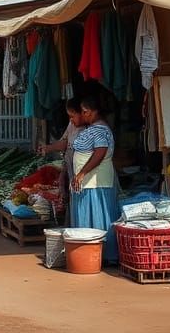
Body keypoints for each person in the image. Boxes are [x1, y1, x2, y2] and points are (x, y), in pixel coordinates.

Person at [70, 95, 120, 264]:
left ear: (91, 112)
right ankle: (87, 253)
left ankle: (103, 255)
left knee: (97, 216)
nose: (83, 115)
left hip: (96, 182)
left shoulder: (100, 129)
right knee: (88, 217)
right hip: (88, 183)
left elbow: (100, 152)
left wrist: (82, 173)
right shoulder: (93, 128)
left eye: (85, 112)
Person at [39, 98, 85, 214]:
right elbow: (65, 142)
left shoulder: (89, 129)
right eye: (69, 116)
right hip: (71, 169)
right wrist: (48, 148)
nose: (71, 119)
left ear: (83, 112)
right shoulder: (72, 124)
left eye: (73, 115)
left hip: (83, 174)